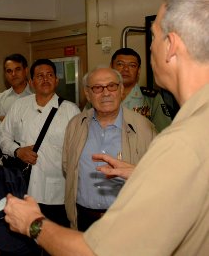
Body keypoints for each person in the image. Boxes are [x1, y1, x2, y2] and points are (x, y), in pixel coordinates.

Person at [3, 0, 209, 255]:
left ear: (171, 46)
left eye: (154, 38)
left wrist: (32, 223)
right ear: (88, 93)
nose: (150, 50)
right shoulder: (197, 124)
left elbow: (98, 250)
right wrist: (142, 174)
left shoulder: (179, 141)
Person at [62, 67, 156, 231]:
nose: (105, 93)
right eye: (97, 88)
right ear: (88, 94)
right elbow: (67, 165)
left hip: (126, 221)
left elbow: (156, 176)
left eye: (111, 86)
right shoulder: (75, 125)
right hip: (83, 218)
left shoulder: (144, 128)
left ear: (120, 90)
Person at [0, 58, 80, 230]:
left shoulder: (70, 110)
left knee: (54, 243)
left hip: (57, 193)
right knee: (25, 242)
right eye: (40, 76)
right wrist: (17, 151)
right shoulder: (20, 106)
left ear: (57, 80)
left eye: (50, 75)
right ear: (31, 81)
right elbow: (2, 136)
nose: (45, 79)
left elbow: (77, 151)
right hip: (23, 189)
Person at [110, 47, 172, 132]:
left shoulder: (151, 99)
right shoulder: (98, 95)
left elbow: (164, 132)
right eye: (120, 64)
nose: (126, 69)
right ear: (111, 67)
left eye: (132, 65)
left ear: (138, 71)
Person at [0, 53, 33, 121]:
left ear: (26, 71)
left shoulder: (36, 97)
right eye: (9, 71)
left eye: (18, 69)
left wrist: (5, 119)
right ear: (5, 74)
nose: (13, 74)